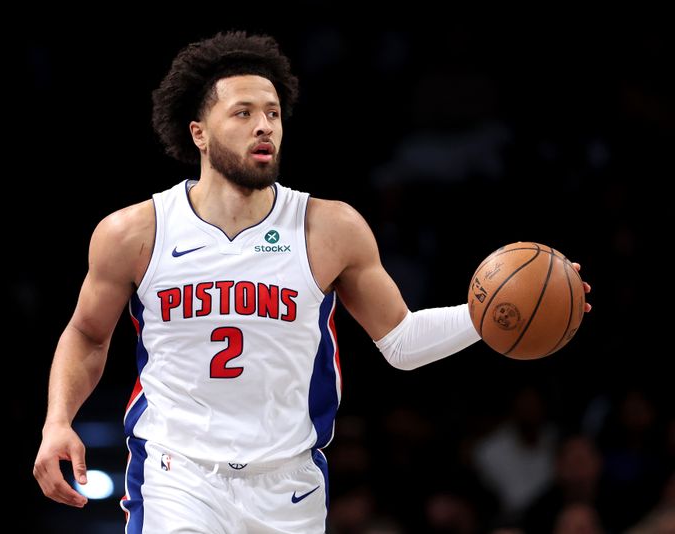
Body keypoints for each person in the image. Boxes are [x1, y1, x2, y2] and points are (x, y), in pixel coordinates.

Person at [32, 30, 591, 533]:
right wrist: (58, 420)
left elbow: (399, 343)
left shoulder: (329, 227)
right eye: (244, 112)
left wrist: (488, 317)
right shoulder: (135, 231)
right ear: (198, 132)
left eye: (273, 113)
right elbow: (87, 334)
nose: (263, 126)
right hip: (178, 475)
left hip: (289, 484)